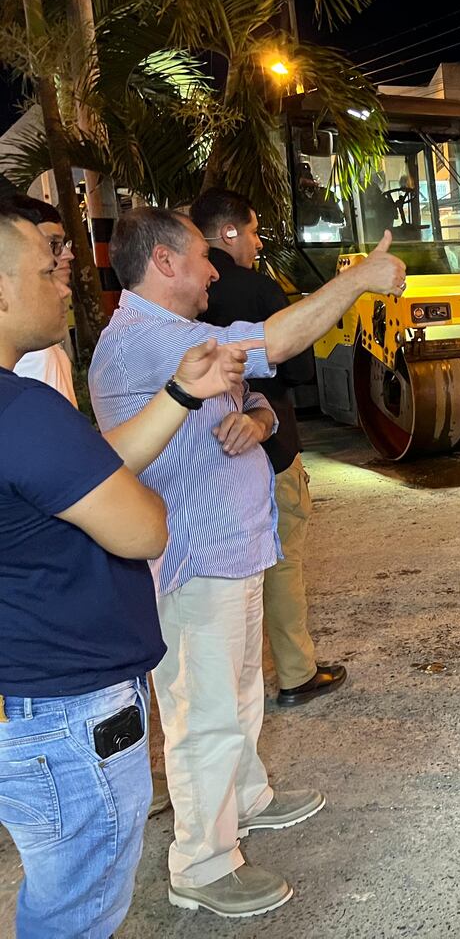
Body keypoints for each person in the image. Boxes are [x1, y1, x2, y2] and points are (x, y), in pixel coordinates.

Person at [89, 207, 404, 918]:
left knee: (236, 692)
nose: (212, 271)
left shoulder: (180, 337)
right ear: (163, 263)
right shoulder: (144, 340)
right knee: (203, 712)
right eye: (202, 257)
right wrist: (357, 280)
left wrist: (258, 422)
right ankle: (201, 861)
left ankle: (249, 796)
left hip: (229, 547)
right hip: (192, 556)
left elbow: (254, 394)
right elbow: (275, 341)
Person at [0, 205, 254, 937]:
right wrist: (120, 489)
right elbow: (144, 526)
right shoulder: (23, 413)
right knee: (77, 913)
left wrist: (178, 395)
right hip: (68, 715)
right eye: (45, 263)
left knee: (58, 895)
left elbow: (86, 476)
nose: (64, 279)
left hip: (26, 700)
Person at [191, 189, 348, 708]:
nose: (258, 243)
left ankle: (228, 685)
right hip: (270, 447)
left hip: (201, 454)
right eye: (254, 231)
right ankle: (296, 673)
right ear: (228, 232)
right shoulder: (256, 289)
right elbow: (297, 366)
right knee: (281, 560)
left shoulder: (168, 307)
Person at [4, 194, 76, 404]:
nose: (67, 255)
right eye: (53, 244)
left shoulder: (38, 334)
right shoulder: (28, 344)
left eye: (63, 243)